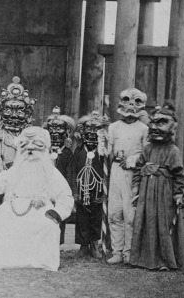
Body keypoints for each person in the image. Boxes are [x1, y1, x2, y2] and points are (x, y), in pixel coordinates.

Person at [0, 127, 73, 271]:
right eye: (25, 146)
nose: (30, 149)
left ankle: (40, 261)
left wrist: (58, 212)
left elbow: (65, 195)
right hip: (13, 207)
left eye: (36, 146)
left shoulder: (51, 172)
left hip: (40, 209)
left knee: (47, 225)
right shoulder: (15, 169)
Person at [130, 103, 184, 270]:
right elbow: (139, 170)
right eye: (152, 124)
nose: (155, 128)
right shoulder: (147, 149)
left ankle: (164, 260)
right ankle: (144, 259)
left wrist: (178, 193)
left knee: (163, 224)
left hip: (164, 193)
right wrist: (136, 188)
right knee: (145, 223)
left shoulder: (173, 150)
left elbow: (179, 174)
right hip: (146, 192)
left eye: (160, 124)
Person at [107, 88, 149, 264]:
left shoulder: (144, 128)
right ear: (120, 103)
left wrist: (133, 160)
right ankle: (117, 251)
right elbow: (108, 151)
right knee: (114, 212)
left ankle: (129, 252)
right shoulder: (113, 127)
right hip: (116, 171)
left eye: (136, 102)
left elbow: (147, 153)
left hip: (134, 174)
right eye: (127, 101)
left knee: (129, 213)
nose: (131, 106)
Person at [74, 110, 109, 258]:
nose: (92, 133)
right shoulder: (79, 150)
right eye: (89, 129)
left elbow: (106, 170)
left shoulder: (103, 152)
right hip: (82, 187)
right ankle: (83, 245)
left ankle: (94, 244)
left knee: (96, 216)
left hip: (98, 188)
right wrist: (75, 191)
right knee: (81, 216)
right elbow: (75, 169)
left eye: (96, 130)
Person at [42, 106, 76, 245]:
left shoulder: (67, 153)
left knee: (58, 213)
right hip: (44, 190)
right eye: (51, 129)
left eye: (59, 129)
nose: (55, 133)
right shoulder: (43, 152)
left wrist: (72, 193)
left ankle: (57, 243)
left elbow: (71, 174)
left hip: (61, 190)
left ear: (66, 133)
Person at [0, 76, 37, 174]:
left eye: (20, 112)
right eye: (8, 111)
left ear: (28, 115)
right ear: (0, 113)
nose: (13, 115)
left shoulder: (31, 138)